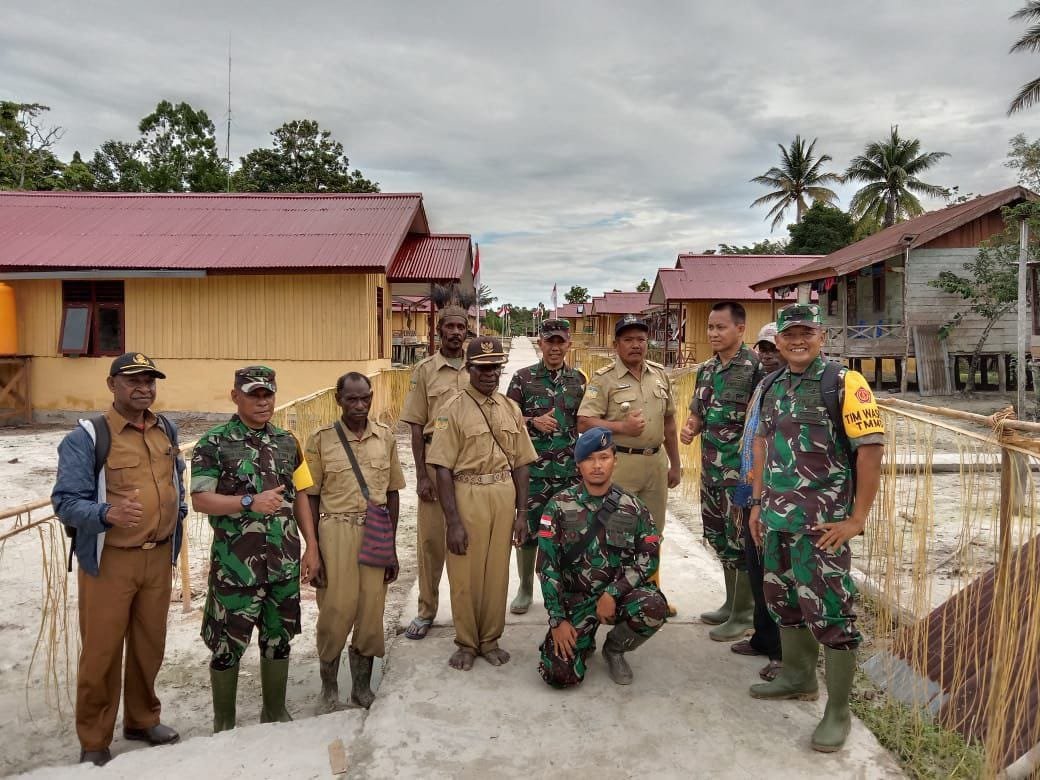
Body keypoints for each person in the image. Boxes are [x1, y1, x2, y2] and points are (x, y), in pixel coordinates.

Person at [747, 303, 885, 753]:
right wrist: (757, 502)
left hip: (822, 527)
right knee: (782, 602)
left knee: (830, 613)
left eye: (806, 333)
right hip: (776, 520)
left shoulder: (846, 384)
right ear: (780, 340)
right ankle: (797, 676)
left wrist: (857, 518)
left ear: (821, 336)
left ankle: (838, 711)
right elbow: (763, 443)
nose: (797, 341)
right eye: (790, 335)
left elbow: (870, 451)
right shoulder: (772, 384)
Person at [52, 353, 186, 766]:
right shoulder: (88, 438)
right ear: (112, 385)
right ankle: (94, 738)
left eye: (150, 380)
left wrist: (176, 513)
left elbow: (174, 478)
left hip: (157, 557)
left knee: (150, 646)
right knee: (102, 652)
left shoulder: (166, 429)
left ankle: (142, 719)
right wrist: (105, 514)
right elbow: (65, 501)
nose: (143, 387)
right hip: (111, 561)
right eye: (133, 380)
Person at [191, 366, 321, 732]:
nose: (263, 402)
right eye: (254, 394)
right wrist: (248, 501)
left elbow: (302, 496)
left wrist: (312, 547)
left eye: (268, 394)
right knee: (227, 645)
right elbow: (200, 499)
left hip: (283, 561)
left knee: (279, 638)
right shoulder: (214, 443)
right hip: (237, 566)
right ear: (235, 396)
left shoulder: (287, 442)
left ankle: (274, 712)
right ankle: (225, 722)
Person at [426, 336, 537, 671]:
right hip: (468, 493)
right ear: (469, 369)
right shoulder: (451, 410)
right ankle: (466, 642)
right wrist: (453, 521)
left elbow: (522, 462)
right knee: (465, 574)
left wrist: (522, 513)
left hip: (503, 493)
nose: (490, 374)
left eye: (495, 368)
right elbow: (442, 468)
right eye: (483, 368)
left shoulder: (510, 408)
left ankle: (490, 639)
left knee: (496, 574)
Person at [537, 427, 668, 688]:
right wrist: (557, 619)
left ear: (615, 460)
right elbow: (547, 568)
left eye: (604, 457)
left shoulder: (634, 507)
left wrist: (612, 593)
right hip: (575, 602)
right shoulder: (559, 505)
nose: (597, 465)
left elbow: (649, 557)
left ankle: (615, 649)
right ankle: (583, 640)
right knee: (559, 676)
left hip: (616, 598)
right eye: (589, 459)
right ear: (578, 464)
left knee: (653, 605)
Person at [305, 372, 405, 711]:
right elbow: (310, 497)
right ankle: (328, 690)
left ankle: (361, 689)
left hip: (374, 531)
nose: (360, 405)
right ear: (339, 399)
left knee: (371, 611)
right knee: (335, 610)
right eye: (352, 399)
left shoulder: (386, 438)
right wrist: (314, 550)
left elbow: (392, 493)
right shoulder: (320, 440)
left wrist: (391, 546)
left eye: (365, 398)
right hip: (335, 530)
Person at [577, 315, 681, 614]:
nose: (636, 345)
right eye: (628, 339)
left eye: (640, 339)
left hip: (655, 464)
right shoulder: (604, 378)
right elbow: (584, 422)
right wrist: (621, 427)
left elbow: (670, 423)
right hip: (621, 463)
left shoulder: (659, 375)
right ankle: (610, 598)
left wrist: (675, 464)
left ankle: (651, 596)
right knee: (615, 533)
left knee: (652, 534)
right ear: (616, 345)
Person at [680, 301, 763, 641]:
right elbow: (699, 412)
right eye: (710, 327)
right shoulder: (708, 369)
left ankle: (744, 613)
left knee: (740, 540)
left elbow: (761, 424)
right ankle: (730, 604)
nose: (713, 333)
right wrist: (690, 427)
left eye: (720, 327)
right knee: (718, 538)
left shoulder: (755, 368)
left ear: (740, 329)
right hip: (711, 472)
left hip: (740, 476)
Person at [505, 318, 586, 614]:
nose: (555, 347)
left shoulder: (579, 380)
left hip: (568, 474)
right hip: (533, 472)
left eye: (560, 341)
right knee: (527, 533)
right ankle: (525, 586)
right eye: (549, 341)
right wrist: (532, 421)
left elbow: (585, 422)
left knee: (567, 533)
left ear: (568, 344)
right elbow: (506, 420)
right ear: (540, 343)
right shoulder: (522, 378)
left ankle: (562, 585)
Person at [399, 305, 470, 640]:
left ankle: (464, 614)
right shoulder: (425, 370)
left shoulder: (478, 365)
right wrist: (422, 477)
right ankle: (426, 610)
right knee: (430, 542)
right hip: (434, 459)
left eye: (461, 326)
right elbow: (415, 427)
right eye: (450, 326)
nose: (456, 332)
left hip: (469, 464)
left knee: (466, 540)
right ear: (439, 330)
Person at [730, 322, 784, 679]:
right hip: (752, 487)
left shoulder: (797, 389)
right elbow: (752, 439)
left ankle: (783, 653)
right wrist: (746, 495)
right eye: (762, 348)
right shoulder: (765, 384)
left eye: (772, 348)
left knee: (780, 575)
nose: (767, 355)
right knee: (756, 566)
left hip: (782, 497)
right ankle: (764, 638)